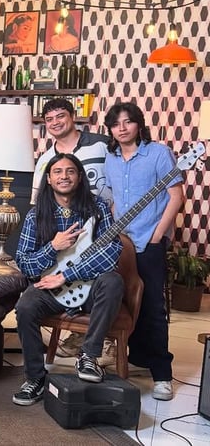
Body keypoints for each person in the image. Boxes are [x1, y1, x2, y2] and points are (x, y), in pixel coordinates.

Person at [13, 153, 123, 406]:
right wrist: (53, 247)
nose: (64, 176)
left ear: (80, 177)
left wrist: (66, 275)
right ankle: (35, 378)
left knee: (113, 281)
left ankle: (88, 356)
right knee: (25, 307)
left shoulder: (98, 208)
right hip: (50, 290)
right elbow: (25, 263)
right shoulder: (36, 215)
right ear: (49, 179)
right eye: (58, 172)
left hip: (90, 287)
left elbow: (112, 252)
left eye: (70, 171)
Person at [103, 102, 185, 401]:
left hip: (149, 240)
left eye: (128, 122)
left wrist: (157, 235)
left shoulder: (159, 153)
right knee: (126, 301)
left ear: (139, 124)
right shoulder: (111, 158)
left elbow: (176, 197)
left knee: (152, 306)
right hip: (121, 242)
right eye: (116, 124)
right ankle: (137, 357)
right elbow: (116, 200)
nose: (122, 128)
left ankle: (162, 374)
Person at [31, 98, 115, 361]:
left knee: (111, 282)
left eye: (60, 116)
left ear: (73, 116)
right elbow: (38, 203)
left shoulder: (102, 144)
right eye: (49, 119)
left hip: (108, 225)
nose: (55, 122)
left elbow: (123, 174)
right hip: (71, 236)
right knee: (77, 281)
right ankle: (80, 335)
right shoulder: (45, 159)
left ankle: (106, 341)